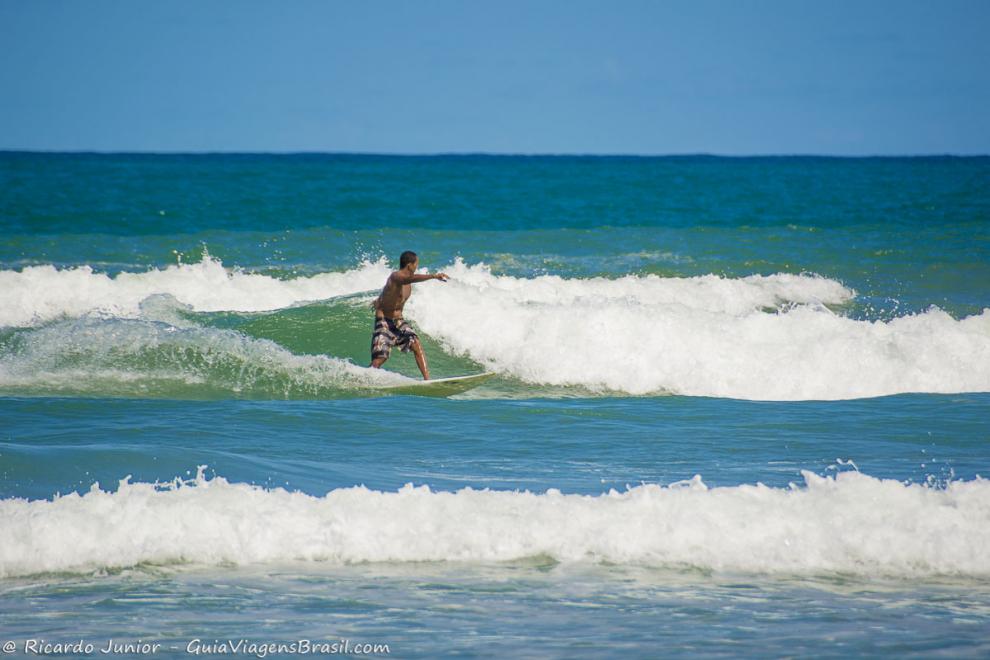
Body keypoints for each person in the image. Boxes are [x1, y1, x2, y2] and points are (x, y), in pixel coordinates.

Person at [370, 251, 448, 379]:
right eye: (416, 264)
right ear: (409, 265)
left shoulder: (407, 283)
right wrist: (434, 276)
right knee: (380, 358)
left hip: (399, 321)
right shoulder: (395, 277)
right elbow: (403, 280)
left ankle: (427, 380)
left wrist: (379, 300)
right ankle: (367, 378)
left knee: (415, 342)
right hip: (384, 320)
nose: (416, 267)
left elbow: (388, 293)